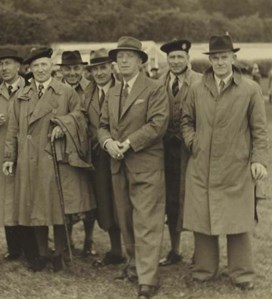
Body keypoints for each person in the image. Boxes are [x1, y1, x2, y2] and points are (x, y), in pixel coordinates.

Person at [181, 34, 268, 291]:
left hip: (236, 165)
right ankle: (204, 270)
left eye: (224, 57)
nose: (220, 62)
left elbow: (260, 130)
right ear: (210, 59)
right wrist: (193, 141)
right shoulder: (197, 88)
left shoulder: (250, 88)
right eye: (215, 57)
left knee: (237, 220)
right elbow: (186, 120)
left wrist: (259, 160)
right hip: (201, 164)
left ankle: (242, 274)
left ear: (233, 58)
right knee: (202, 218)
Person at [3, 47, 94, 271]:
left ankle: (61, 254)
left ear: (52, 66)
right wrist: (9, 157)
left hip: (55, 157)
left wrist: (64, 125)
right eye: (36, 66)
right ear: (29, 70)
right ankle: (42, 254)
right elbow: (12, 128)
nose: (41, 70)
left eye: (44, 65)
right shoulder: (22, 96)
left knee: (57, 208)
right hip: (29, 158)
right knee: (36, 207)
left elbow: (80, 116)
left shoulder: (65, 92)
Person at [98, 36, 169, 299]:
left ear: (141, 61)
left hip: (145, 164)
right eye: (119, 56)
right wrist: (107, 144)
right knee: (125, 219)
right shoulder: (113, 91)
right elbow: (103, 125)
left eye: (129, 56)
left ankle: (148, 279)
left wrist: (127, 143)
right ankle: (134, 265)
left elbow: (158, 124)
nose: (123, 60)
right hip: (118, 165)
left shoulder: (154, 88)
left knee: (147, 222)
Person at [0, 48, 40, 268]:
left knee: (26, 197)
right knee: (6, 199)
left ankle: (33, 249)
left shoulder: (30, 90)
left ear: (19, 67)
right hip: (1, 151)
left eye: (8, 63)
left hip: (26, 150)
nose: (4, 68)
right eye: (0, 64)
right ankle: (14, 247)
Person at [158, 39, 202, 266]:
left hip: (190, 152)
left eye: (179, 57)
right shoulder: (159, 82)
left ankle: (200, 252)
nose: (175, 62)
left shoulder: (200, 82)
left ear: (188, 59)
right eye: (171, 57)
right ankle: (175, 250)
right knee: (170, 200)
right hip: (165, 152)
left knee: (193, 199)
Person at [83, 48, 125, 267]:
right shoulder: (86, 94)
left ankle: (133, 251)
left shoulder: (123, 89)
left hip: (121, 154)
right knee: (105, 201)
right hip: (98, 157)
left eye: (103, 68)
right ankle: (115, 249)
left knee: (123, 201)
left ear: (112, 68)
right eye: (95, 69)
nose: (99, 73)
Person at [58, 49, 96, 257]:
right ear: (62, 70)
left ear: (82, 69)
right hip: (67, 150)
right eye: (68, 68)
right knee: (70, 196)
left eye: (76, 68)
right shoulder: (58, 90)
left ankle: (89, 240)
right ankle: (68, 240)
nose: (72, 72)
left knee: (90, 197)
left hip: (90, 147)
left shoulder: (91, 89)